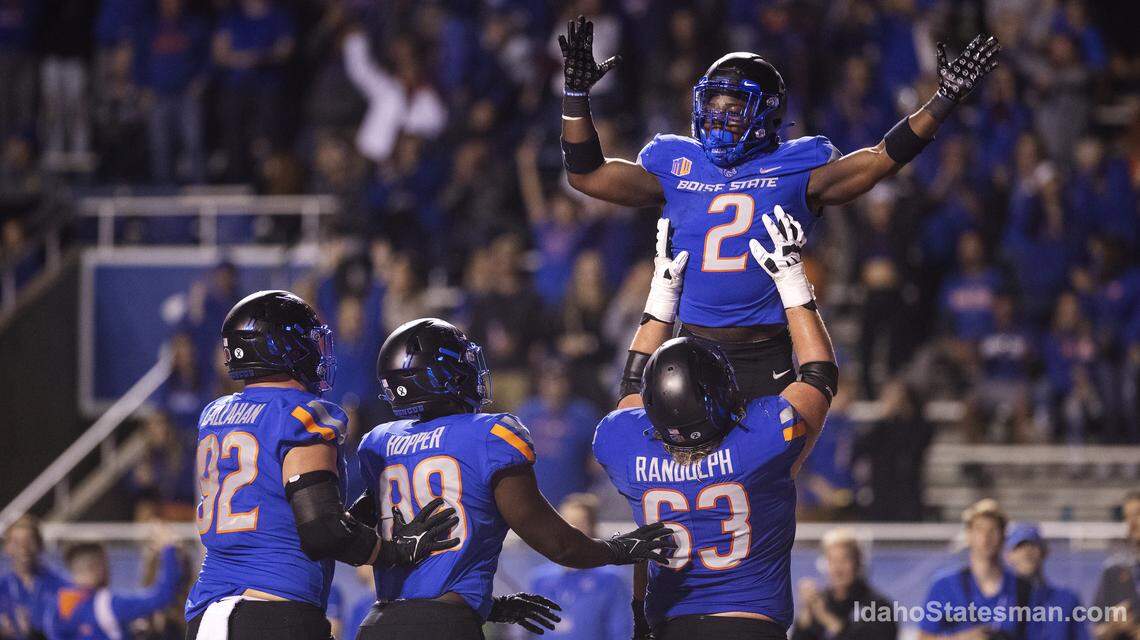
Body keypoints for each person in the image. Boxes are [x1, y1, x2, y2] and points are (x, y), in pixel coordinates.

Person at [558, 15, 998, 400]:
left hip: (761, 354)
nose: (717, 118)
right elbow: (587, 175)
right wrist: (576, 97)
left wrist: (942, 102)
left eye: (733, 107)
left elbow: (881, 159)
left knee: (761, 482)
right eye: (712, 105)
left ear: (764, 112)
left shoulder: (796, 162)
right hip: (687, 346)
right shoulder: (676, 159)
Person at [594, 205, 838, 639]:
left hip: (671, 626)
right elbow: (818, 373)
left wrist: (662, 294)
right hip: (751, 626)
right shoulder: (760, 442)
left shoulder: (624, 447)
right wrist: (791, 279)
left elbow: (631, 385)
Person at [354, 317, 676, 639]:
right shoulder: (487, 435)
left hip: (378, 622)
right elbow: (560, 545)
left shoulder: (379, 442)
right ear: (444, 376)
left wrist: (489, 605)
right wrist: (620, 549)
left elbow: (358, 535)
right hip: (444, 625)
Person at [184, 290, 460, 640]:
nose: (317, 351)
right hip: (275, 612)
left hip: (205, 613)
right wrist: (394, 551)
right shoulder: (301, 413)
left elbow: (281, 511)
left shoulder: (216, 415)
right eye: (308, 341)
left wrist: (360, 514)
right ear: (281, 347)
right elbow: (320, 528)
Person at [918, 499, 1032, 639]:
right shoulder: (945, 585)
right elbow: (924, 637)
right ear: (968, 535)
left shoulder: (1022, 587)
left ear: (1003, 536)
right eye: (979, 529)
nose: (986, 537)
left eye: (993, 530)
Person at [46, 526, 182, 640]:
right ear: (97, 567)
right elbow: (163, 596)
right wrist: (168, 549)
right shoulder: (107, 603)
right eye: (106, 563)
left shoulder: (57, 605)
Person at [528, 494, 633, 640]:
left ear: (592, 528)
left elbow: (622, 632)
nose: (568, 530)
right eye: (564, 522)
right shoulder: (540, 579)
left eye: (577, 523)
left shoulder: (611, 580)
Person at [791, 528, 896, 640]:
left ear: (858, 562)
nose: (838, 569)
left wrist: (827, 619)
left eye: (844, 560)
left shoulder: (878, 605)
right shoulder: (821, 602)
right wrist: (805, 614)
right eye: (832, 560)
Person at [1004, 523, 1089, 640]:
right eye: (1020, 547)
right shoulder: (1001, 602)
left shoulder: (1067, 600)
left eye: (1032, 546)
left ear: (1045, 552)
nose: (1026, 553)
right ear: (1008, 556)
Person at [0, 516, 67, 640]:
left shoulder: (61, 586)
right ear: (7, 547)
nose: (23, 548)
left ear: (40, 545)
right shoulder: (3, 587)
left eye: (29, 541)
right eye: (16, 542)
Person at [1091, 491, 1140, 640]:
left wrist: (1134, 630)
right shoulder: (1113, 570)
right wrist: (1113, 625)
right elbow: (1098, 630)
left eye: (1138, 514)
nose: (1132, 522)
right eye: (1127, 517)